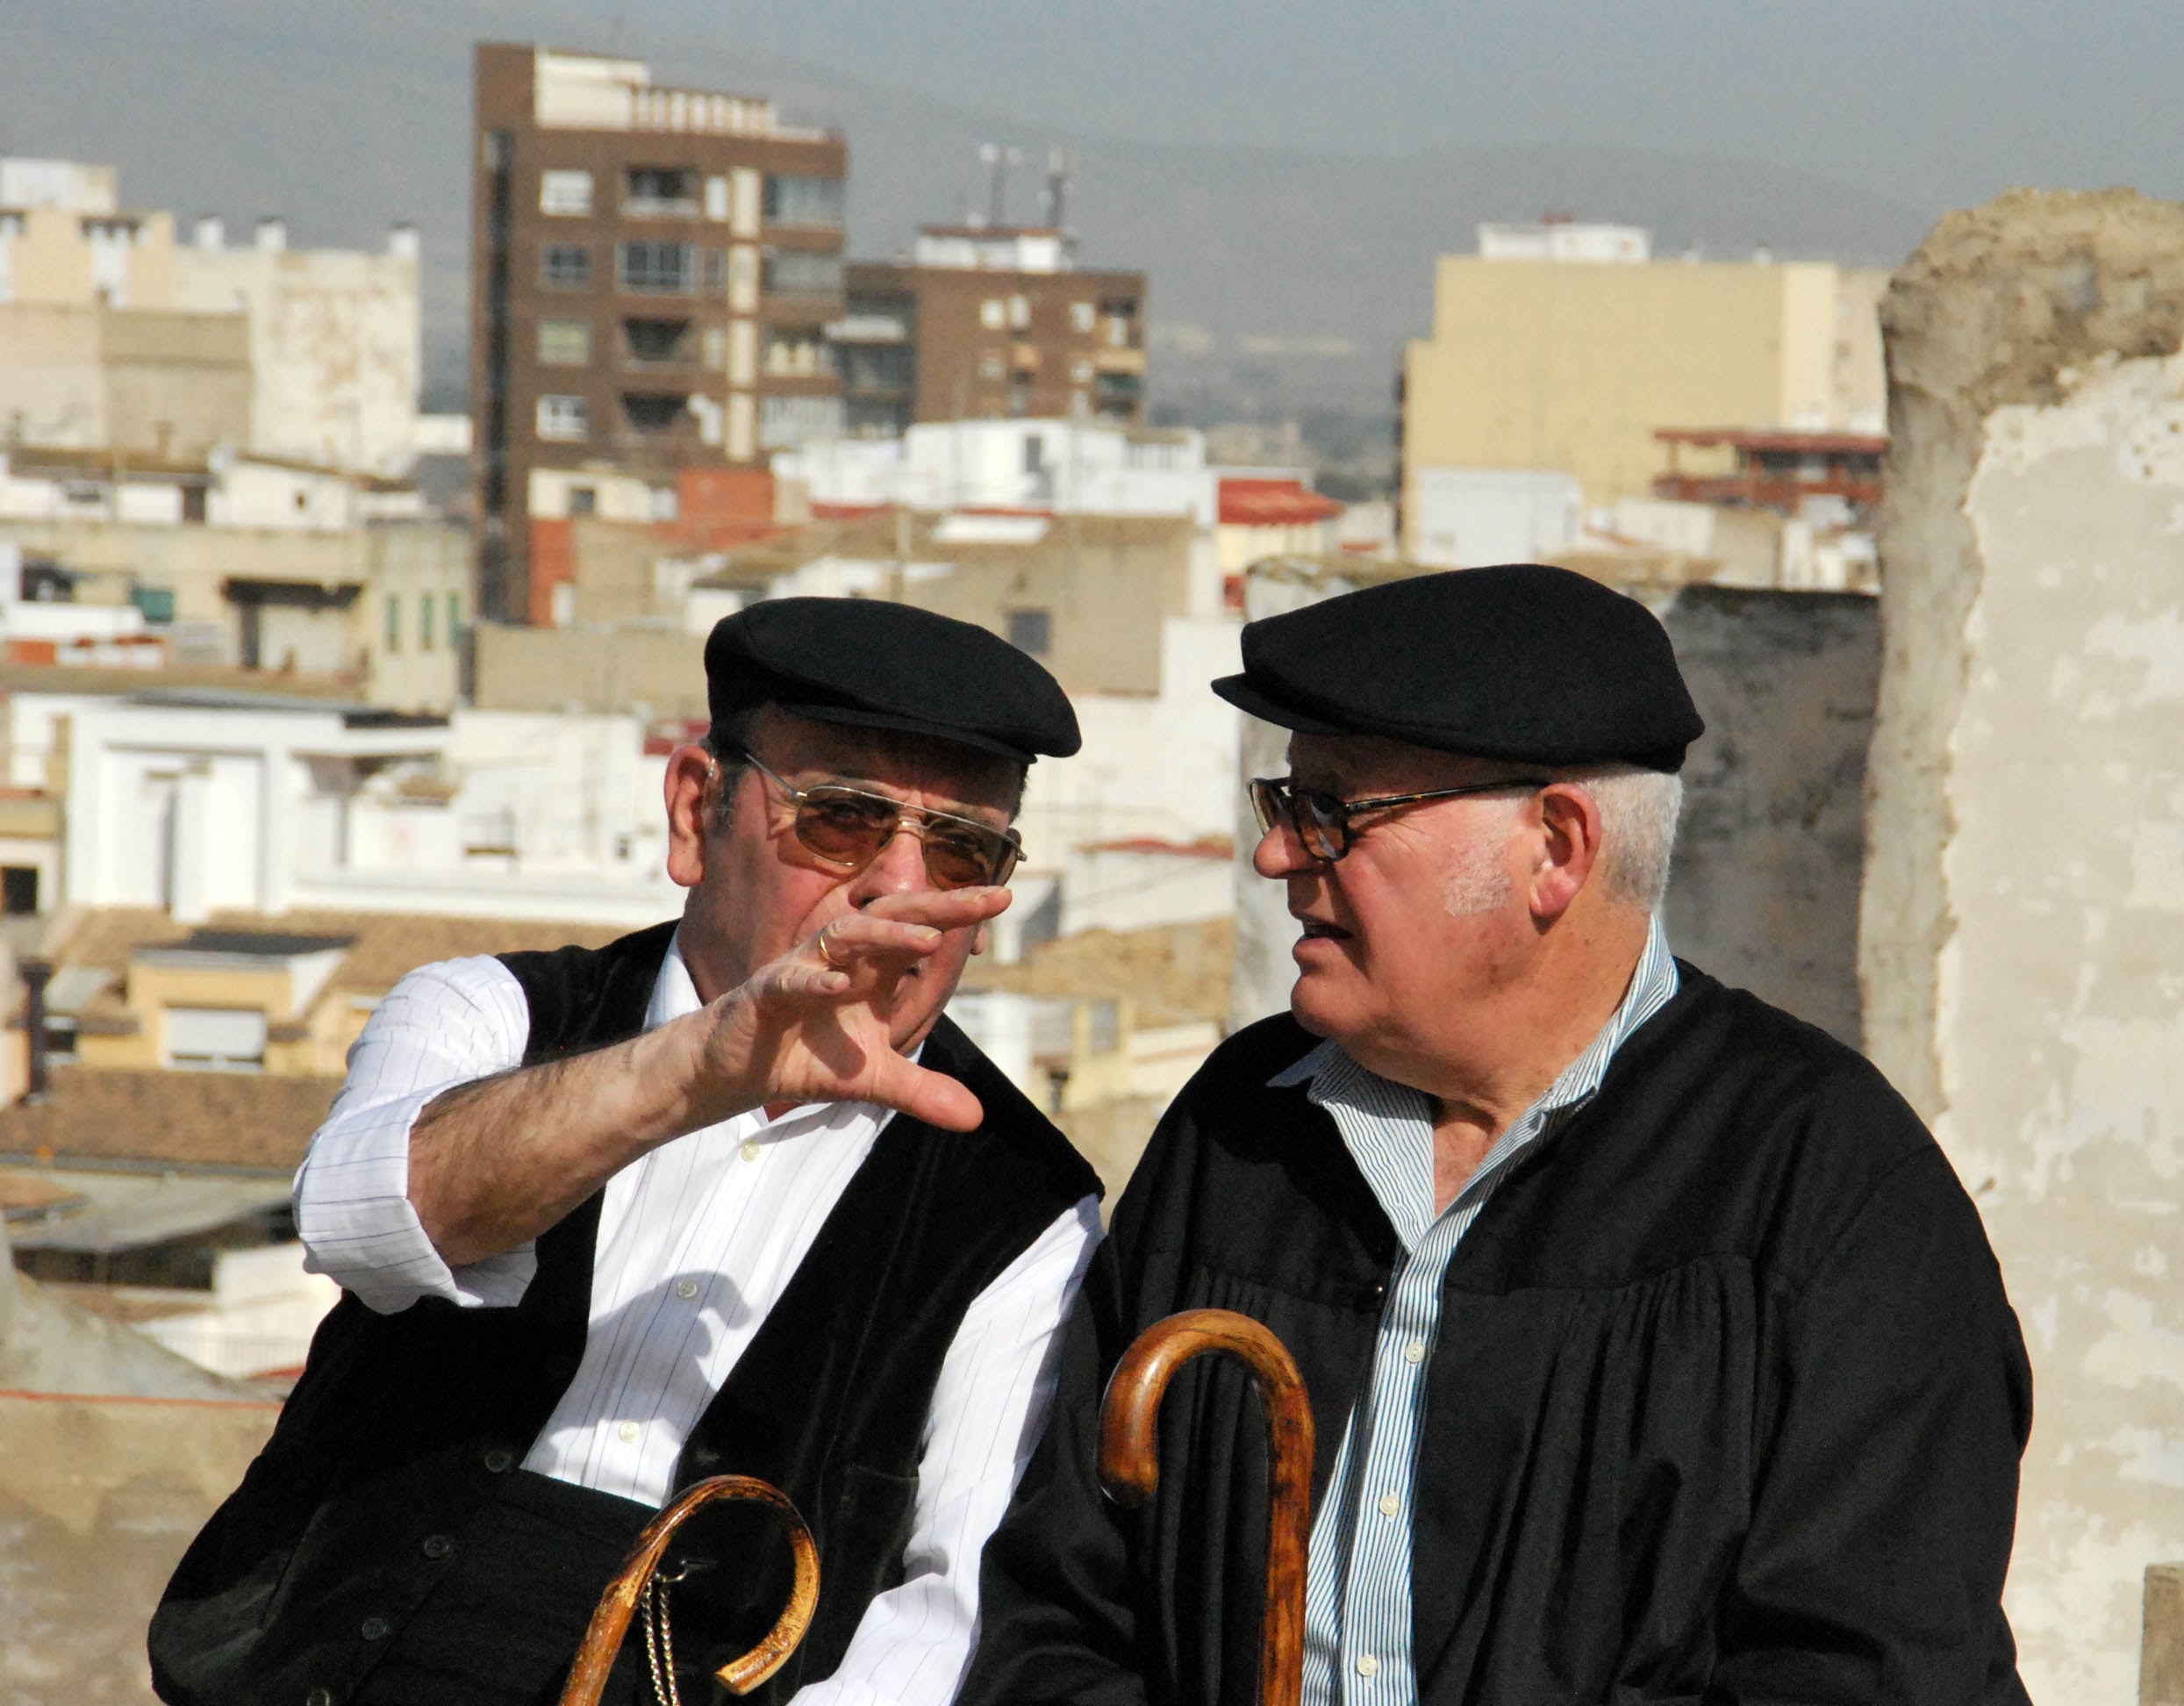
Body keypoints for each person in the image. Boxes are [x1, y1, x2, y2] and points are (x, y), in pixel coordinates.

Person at [958, 563, 2032, 1706]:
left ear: (1555, 849)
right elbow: (1061, 1610)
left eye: (1332, 811)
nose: (1276, 855)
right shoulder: (1241, 1126)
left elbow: (1868, 1672)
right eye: (1284, 804)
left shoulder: (1826, 1189)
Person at [152, 598, 1105, 1706]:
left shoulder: (1027, 1204)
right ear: (696, 814)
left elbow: (956, 1607)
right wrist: (698, 1068)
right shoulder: (490, 1013)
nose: (899, 885)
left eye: (959, 848)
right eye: (843, 819)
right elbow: (363, 1225)